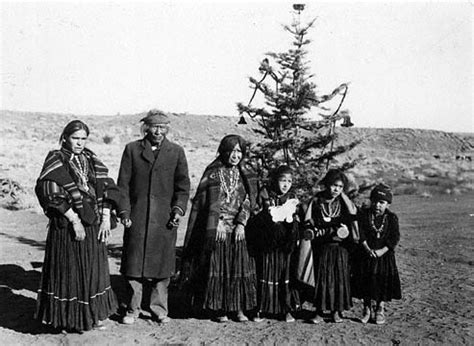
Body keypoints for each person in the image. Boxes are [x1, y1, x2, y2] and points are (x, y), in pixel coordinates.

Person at [35, 120, 120, 333]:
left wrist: (105, 216)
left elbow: (106, 187)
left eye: (83, 138)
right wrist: (74, 220)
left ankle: (93, 315)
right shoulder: (56, 159)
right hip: (67, 225)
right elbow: (49, 191)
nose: (80, 143)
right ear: (65, 137)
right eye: (75, 138)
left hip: (92, 223)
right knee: (69, 272)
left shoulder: (91, 160)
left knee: (93, 270)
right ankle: (66, 319)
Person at [117, 109, 190, 324]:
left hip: (164, 219)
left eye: (163, 127)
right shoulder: (132, 150)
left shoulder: (176, 152)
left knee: (162, 267)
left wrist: (177, 210)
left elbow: (183, 187)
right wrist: (124, 212)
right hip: (137, 217)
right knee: (134, 264)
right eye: (155, 127)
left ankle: (159, 309)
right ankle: (132, 309)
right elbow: (123, 185)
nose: (159, 131)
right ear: (146, 127)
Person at [182, 134, 258, 323]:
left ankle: (239, 308)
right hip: (218, 227)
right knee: (219, 267)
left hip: (240, 227)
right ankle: (220, 308)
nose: (235, 155)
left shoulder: (246, 172)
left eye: (239, 151)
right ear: (223, 151)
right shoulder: (213, 172)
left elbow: (251, 199)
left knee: (239, 267)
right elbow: (204, 202)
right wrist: (218, 222)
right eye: (231, 151)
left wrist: (242, 222)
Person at [301, 169, 359, 323]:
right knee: (322, 279)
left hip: (339, 247)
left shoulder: (343, 202)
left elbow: (352, 217)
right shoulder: (317, 201)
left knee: (339, 278)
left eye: (340, 187)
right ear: (327, 184)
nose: (336, 190)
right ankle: (319, 311)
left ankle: (336, 311)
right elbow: (309, 221)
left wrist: (344, 230)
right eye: (334, 186)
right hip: (322, 247)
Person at [247, 165, 300, 322]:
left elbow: (296, 220)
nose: (285, 185)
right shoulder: (265, 195)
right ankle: (261, 308)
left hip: (284, 245)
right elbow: (256, 216)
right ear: (275, 180)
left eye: (289, 181)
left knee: (284, 275)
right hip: (267, 243)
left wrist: (291, 221)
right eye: (282, 180)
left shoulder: (292, 198)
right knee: (266, 273)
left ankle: (286, 309)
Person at [352, 184, 401, 325]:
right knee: (366, 281)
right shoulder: (364, 215)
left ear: (388, 204)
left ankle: (380, 308)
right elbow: (360, 233)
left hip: (384, 256)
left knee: (381, 282)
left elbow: (394, 237)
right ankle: (367, 308)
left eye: (381, 202)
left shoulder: (391, 218)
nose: (377, 205)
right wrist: (367, 248)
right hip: (366, 254)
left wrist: (382, 250)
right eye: (375, 201)